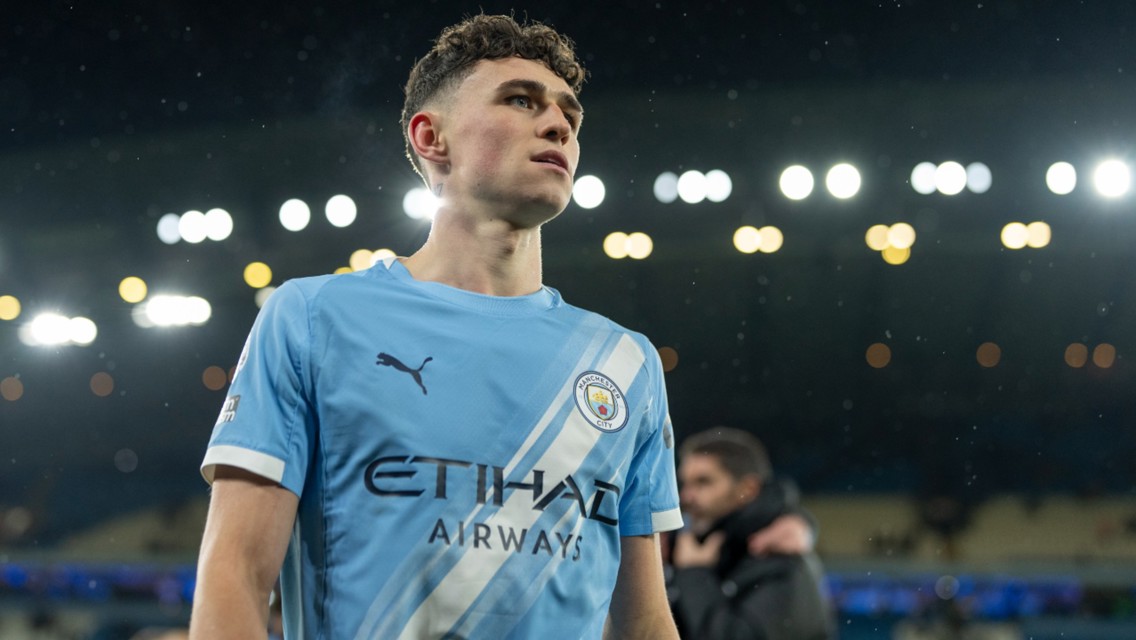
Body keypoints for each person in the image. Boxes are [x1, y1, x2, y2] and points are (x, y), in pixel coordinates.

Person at [190, 14, 683, 640]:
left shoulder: (624, 362)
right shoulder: (314, 318)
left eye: (569, 114)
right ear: (431, 137)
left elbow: (643, 620)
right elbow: (233, 574)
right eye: (520, 100)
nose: (558, 124)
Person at [668, 427, 834, 639]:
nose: (686, 496)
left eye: (703, 482)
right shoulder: (695, 547)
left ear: (747, 489)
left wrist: (694, 575)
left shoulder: (779, 559)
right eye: (685, 483)